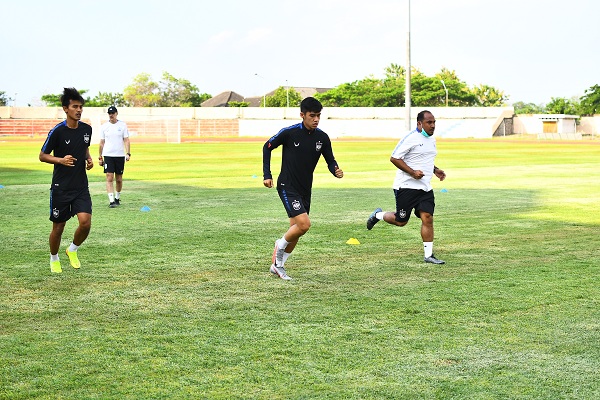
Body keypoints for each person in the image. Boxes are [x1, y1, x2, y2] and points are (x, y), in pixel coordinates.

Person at [263, 97, 344, 280]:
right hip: (287, 185)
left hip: (305, 188)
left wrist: (335, 170)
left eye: (318, 116)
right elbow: (267, 147)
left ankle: (278, 266)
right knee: (304, 224)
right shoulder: (289, 133)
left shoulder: (322, 137)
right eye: (312, 116)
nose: (316, 119)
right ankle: (279, 245)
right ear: (302, 115)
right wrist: (267, 174)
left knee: (297, 230)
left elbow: (330, 160)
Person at [366, 110, 447, 264]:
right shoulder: (410, 138)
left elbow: (425, 158)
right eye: (429, 122)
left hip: (425, 188)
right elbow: (394, 158)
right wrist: (412, 172)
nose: (432, 125)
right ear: (419, 123)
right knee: (401, 221)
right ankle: (377, 215)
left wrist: (435, 170)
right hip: (406, 187)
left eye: (434, 122)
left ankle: (428, 256)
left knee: (427, 217)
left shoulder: (432, 140)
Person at [39, 88, 94, 273]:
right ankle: (54, 258)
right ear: (65, 109)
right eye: (75, 107)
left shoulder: (87, 129)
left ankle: (72, 250)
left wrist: (88, 158)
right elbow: (42, 155)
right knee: (58, 227)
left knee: (85, 222)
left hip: (80, 186)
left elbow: (84, 147)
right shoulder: (57, 131)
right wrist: (60, 160)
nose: (79, 110)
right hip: (61, 188)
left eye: (81, 107)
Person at [98, 106, 130, 207]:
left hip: (119, 155)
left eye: (113, 113)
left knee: (119, 179)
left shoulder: (122, 125)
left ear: (116, 114)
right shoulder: (104, 126)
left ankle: (117, 198)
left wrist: (128, 153)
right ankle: (111, 201)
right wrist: (100, 157)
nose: (111, 115)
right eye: (109, 113)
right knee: (109, 177)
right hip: (108, 155)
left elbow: (126, 140)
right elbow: (102, 142)